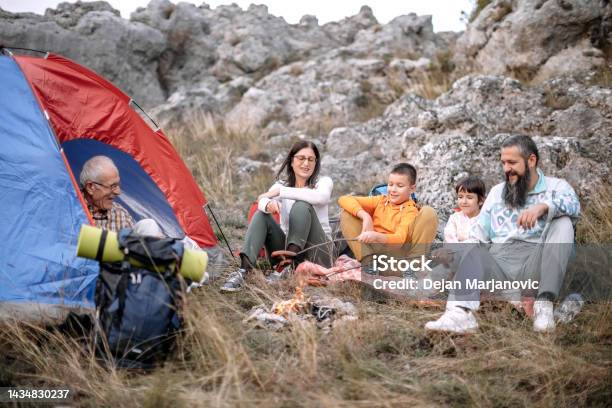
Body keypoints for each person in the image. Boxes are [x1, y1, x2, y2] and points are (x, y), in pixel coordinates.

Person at [425, 135, 580, 334]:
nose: (507, 169)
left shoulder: (557, 187)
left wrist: (544, 207)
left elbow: (574, 206)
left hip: (537, 265)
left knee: (564, 222)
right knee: (473, 248)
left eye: (512, 162)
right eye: (503, 163)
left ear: (531, 160)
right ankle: (460, 315)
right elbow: (478, 235)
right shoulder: (497, 192)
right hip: (501, 271)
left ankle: (544, 306)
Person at [220, 140, 334, 293]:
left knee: (301, 205)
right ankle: (244, 271)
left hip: (319, 254)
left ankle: (286, 268)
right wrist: (268, 204)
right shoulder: (281, 185)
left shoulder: (323, 182)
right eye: (301, 158)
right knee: (262, 215)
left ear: (316, 163)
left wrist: (281, 192)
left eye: (311, 159)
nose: (306, 163)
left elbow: (321, 198)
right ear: (291, 161)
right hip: (288, 251)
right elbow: (262, 199)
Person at [338, 163, 438, 276]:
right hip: (376, 259)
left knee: (429, 212)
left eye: (400, 186)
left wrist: (375, 236)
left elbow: (399, 240)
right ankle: (369, 264)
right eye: (390, 184)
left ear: (412, 189)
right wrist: (365, 217)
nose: (393, 190)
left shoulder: (410, 210)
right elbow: (344, 199)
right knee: (347, 213)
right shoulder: (380, 200)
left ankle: (413, 268)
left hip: (397, 261)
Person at [432, 176, 487, 270]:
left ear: (481, 201)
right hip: (455, 259)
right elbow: (450, 238)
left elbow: (478, 241)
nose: (464, 201)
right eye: (460, 197)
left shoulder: (484, 219)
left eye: (469, 197)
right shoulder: (455, 218)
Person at [80, 155, 134, 232]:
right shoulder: (68, 209)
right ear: (90, 187)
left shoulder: (120, 215)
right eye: (113, 186)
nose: (118, 192)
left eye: (118, 185)